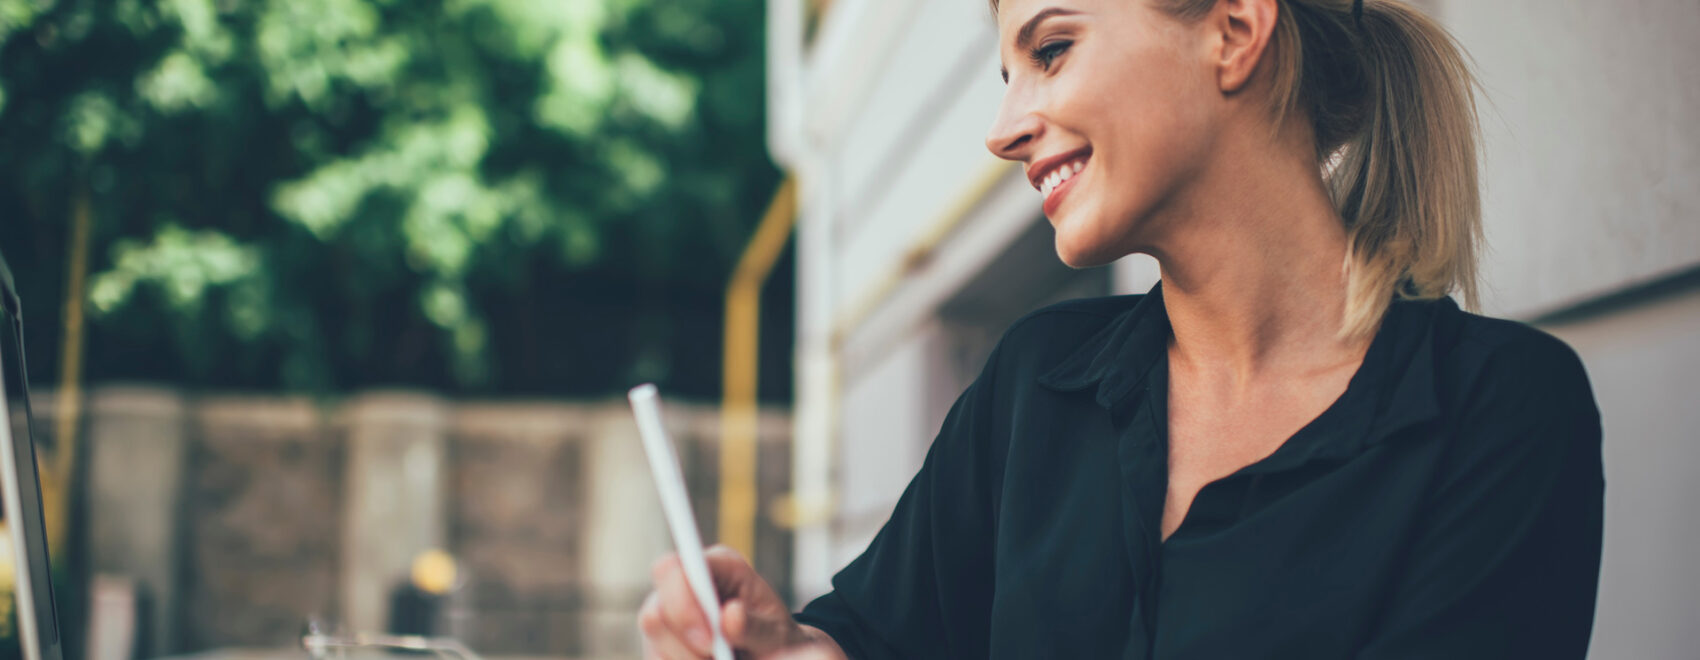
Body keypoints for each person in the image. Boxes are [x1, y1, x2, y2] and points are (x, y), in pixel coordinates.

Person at [639, 0, 1605, 657]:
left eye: (1051, 50)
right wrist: (785, 644)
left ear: (1233, 28)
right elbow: (875, 639)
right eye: (1006, 71)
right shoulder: (1035, 385)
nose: (1004, 125)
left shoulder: (1500, 411)